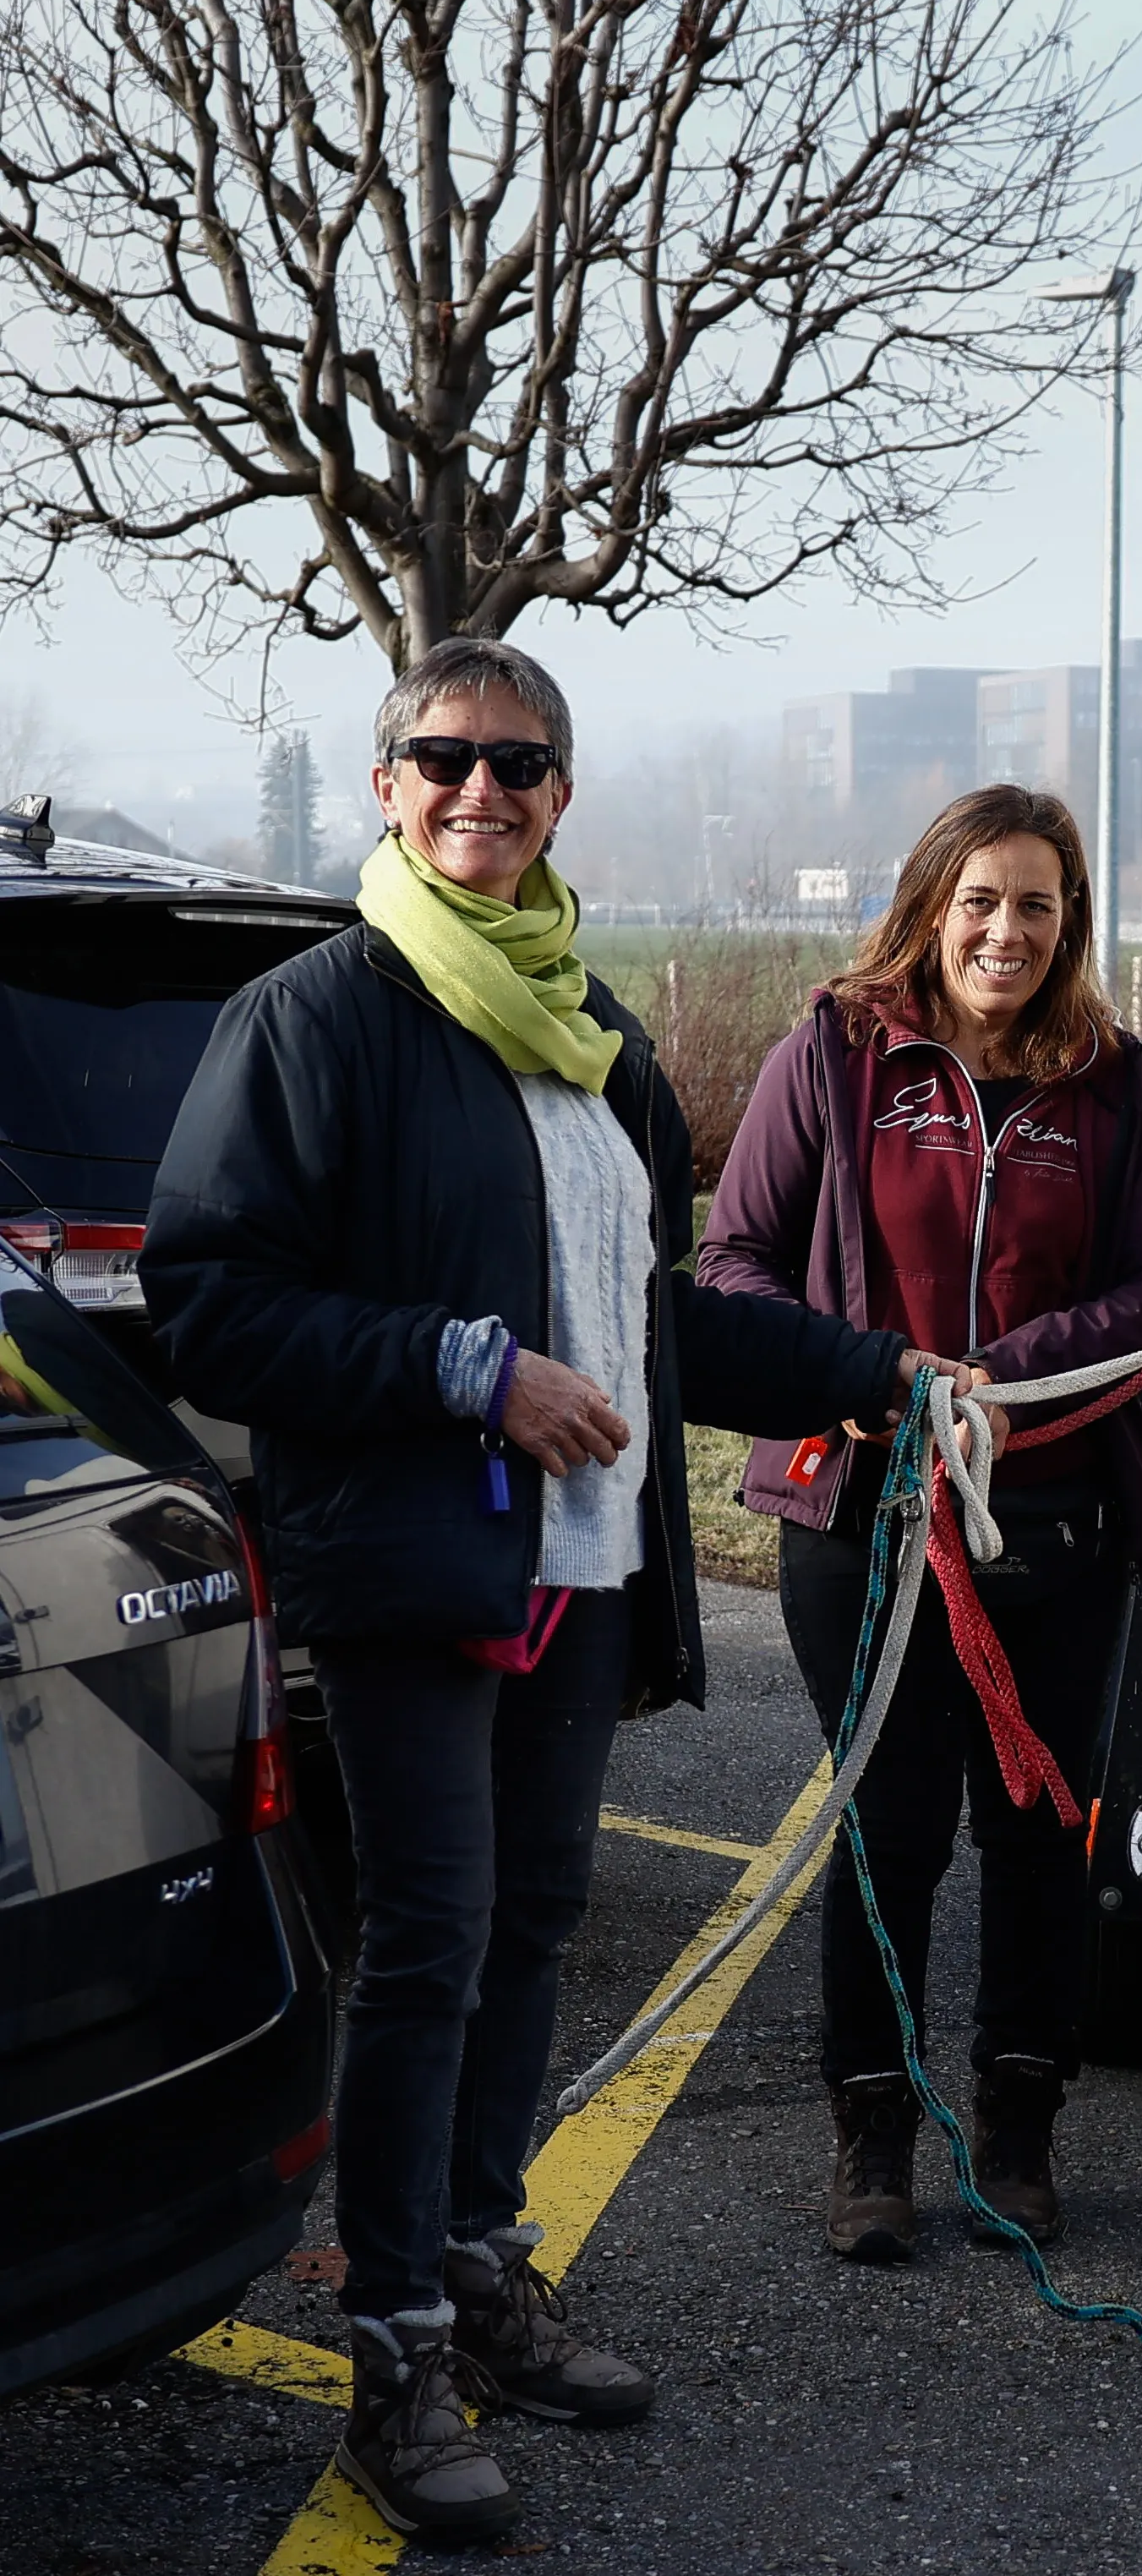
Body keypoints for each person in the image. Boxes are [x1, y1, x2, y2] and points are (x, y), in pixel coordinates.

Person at [143, 638, 968, 2549]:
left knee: (528, 1923)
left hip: (583, 1564)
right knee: (430, 1937)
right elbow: (212, 1302)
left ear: (561, 795)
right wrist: (466, 1368)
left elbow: (652, 1319)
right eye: (444, 756)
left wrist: (877, 1371)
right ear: (386, 782)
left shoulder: (592, 1030)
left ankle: (480, 2263)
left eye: (518, 763)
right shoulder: (313, 1018)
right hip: (419, 1559)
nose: (480, 789)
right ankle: (395, 2353)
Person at [700, 783, 1142, 2266]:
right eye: (979, 899)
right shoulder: (834, 1055)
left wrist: (1007, 1374)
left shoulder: (1112, 1082)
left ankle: (1019, 2129)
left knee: (1041, 1829)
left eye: (1036, 904)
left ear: (1070, 923)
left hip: (1054, 1517)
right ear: (931, 906)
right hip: (865, 1513)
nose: (1005, 930)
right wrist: (865, 1374)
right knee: (892, 1826)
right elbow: (734, 1262)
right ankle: (872, 2137)